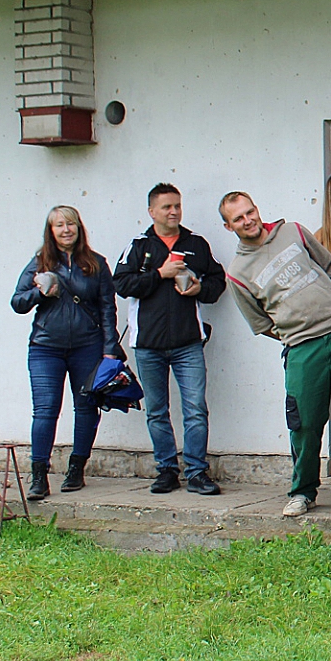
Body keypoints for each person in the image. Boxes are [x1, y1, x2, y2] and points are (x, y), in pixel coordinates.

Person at [221, 192, 331, 519]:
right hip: (303, 348)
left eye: (250, 212)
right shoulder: (237, 273)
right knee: (304, 422)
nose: (248, 220)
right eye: (238, 218)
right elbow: (261, 323)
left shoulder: (293, 231)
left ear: (257, 209)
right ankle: (303, 491)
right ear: (228, 226)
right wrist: (297, 329)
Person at [113, 183, 227, 497]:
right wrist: (159, 274)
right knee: (156, 411)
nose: (174, 212)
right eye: (166, 207)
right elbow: (121, 284)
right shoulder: (139, 245)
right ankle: (166, 471)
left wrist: (200, 290)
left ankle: (197, 472)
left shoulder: (196, 244)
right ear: (152, 212)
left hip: (188, 342)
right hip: (147, 344)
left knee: (195, 408)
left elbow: (218, 281)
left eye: (177, 205)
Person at [10, 205, 122, 501]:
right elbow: (17, 302)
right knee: (45, 410)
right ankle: (39, 476)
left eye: (70, 224)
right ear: (51, 231)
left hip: (87, 346)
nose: (66, 230)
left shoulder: (96, 263)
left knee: (86, 408)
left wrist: (110, 350)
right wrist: (40, 293)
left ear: (79, 228)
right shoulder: (40, 262)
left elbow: (107, 309)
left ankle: (76, 469)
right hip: (45, 347)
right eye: (59, 225)